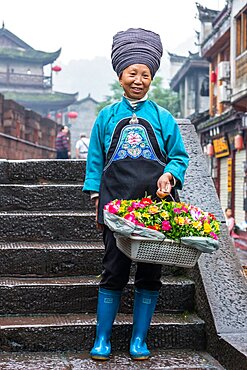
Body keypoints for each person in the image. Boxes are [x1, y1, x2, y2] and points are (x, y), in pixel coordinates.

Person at [83, 28, 189, 361]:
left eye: (146, 74)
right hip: (115, 204)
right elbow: (96, 161)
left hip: (154, 207)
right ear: (120, 76)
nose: (139, 80)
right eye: (133, 73)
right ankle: (102, 339)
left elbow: (179, 156)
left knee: (150, 271)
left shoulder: (163, 117)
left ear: (152, 78)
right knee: (114, 268)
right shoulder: (106, 117)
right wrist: (96, 201)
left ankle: (139, 340)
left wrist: (170, 175)